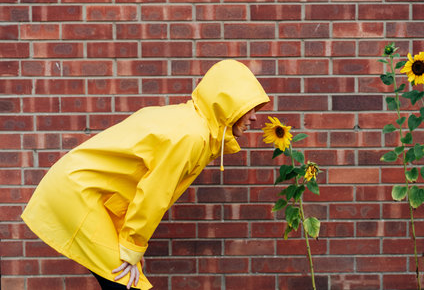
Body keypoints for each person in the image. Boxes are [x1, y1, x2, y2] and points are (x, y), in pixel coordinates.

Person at [21, 59, 270, 289]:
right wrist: (132, 248)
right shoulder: (191, 136)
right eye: (249, 108)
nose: (255, 118)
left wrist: (133, 248)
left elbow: (133, 183)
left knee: (124, 281)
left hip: (82, 191)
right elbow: (154, 194)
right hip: (78, 194)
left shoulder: (189, 124)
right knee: (128, 283)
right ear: (227, 104)